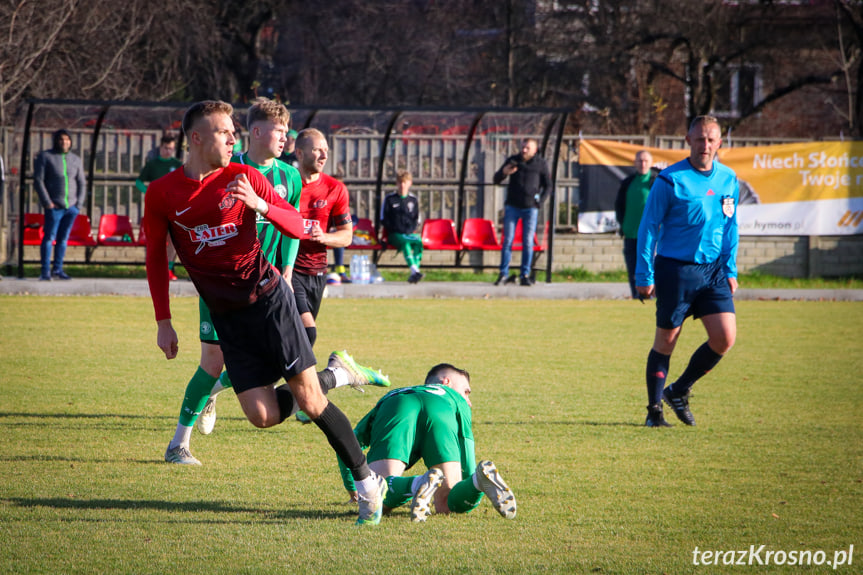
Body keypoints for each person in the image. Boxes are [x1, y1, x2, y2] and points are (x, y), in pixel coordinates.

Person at [144, 100, 388, 525]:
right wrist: (163, 321)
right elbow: (153, 259)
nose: (233, 139)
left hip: (269, 301)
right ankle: (337, 375)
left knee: (311, 401)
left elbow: (295, 224)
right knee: (261, 416)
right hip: (228, 318)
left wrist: (260, 205)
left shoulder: (243, 176)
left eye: (235, 132)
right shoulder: (163, 192)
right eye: (225, 132)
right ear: (196, 138)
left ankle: (368, 485)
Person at [636, 115, 739, 428]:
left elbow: (731, 225)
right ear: (688, 141)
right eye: (699, 139)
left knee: (725, 338)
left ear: (720, 143)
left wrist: (731, 268)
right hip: (675, 270)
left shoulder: (728, 178)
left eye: (710, 140)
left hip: (713, 271)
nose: (705, 145)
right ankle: (654, 411)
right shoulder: (670, 180)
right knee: (666, 342)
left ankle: (679, 390)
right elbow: (648, 227)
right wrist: (644, 275)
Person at [337, 364, 517, 523]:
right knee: (447, 503)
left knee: (377, 497)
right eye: (466, 392)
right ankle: (479, 481)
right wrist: (471, 480)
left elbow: (348, 443)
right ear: (446, 382)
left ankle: (417, 484)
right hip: (441, 411)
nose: (468, 401)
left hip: (396, 406)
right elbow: (466, 443)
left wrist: (355, 489)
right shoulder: (454, 398)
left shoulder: (395, 393)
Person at [291, 128, 353, 348]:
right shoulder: (286, 183)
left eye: (326, 150)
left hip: (317, 273)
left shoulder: (335, 189)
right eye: (317, 150)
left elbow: (346, 236)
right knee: (307, 333)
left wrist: (324, 237)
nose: (324, 155)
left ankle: (244, 378)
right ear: (299, 153)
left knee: (297, 341)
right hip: (288, 271)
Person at [492, 138, 551, 287]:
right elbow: (496, 179)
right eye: (523, 147)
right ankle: (503, 274)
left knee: (527, 241)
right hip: (512, 206)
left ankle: (524, 274)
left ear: (534, 150)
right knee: (508, 241)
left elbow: (548, 186)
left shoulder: (540, 164)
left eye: (527, 148)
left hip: (530, 208)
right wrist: (504, 172)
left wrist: (540, 202)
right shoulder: (513, 160)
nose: (524, 150)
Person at [33, 129, 87, 281]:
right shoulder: (46, 157)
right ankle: (45, 271)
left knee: (63, 239)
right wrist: (47, 203)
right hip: (54, 206)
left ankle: (58, 269)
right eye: (61, 140)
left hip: (71, 207)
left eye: (67, 140)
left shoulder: (76, 160)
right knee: (49, 237)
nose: (65, 142)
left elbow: (82, 182)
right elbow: (38, 180)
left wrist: (79, 204)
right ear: (56, 141)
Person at [136, 134, 183, 280]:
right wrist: (149, 193)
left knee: (174, 239)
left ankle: (168, 269)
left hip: (173, 209)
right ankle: (155, 270)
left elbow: (184, 184)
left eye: (171, 149)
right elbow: (139, 182)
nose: (168, 151)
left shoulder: (178, 164)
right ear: (160, 148)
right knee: (156, 239)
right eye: (165, 148)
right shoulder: (152, 164)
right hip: (156, 209)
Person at [614, 150, 656, 299]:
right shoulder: (628, 182)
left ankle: (652, 297)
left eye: (645, 161)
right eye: (639, 161)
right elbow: (619, 205)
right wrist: (622, 225)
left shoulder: (657, 182)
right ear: (635, 163)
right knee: (633, 269)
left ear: (651, 163)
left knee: (651, 268)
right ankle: (637, 297)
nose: (642, 164)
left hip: (652, 237)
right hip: (631, 234)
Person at [381, 170, 424, 283]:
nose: (402, 185)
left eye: (405, 182)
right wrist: (394, 228)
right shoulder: (390, 199)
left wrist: (409, 229)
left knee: (418, 241)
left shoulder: (413, 200)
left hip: (408, 233)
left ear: (410, 183)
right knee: (405, 243)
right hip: (394, 235)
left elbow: (417, 219)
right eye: (400, 182)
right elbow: (383, 218)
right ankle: (415, 270)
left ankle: (415, 271)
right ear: (397, 183)